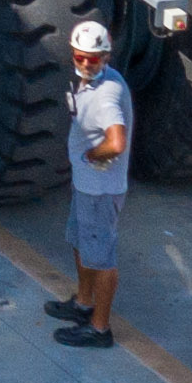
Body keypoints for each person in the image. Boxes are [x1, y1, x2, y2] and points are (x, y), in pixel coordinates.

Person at [53, 20, 133, 348]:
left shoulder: (105, 96)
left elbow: (117, 142)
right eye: (80, 57)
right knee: (81, 244)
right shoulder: (96, 80)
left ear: (106, 57)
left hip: (100, 192)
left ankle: (99, 329)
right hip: (86, 186)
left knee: (101, 259)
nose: (86, 63)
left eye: (94, 58)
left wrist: (91, 155)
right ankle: (83, 304)